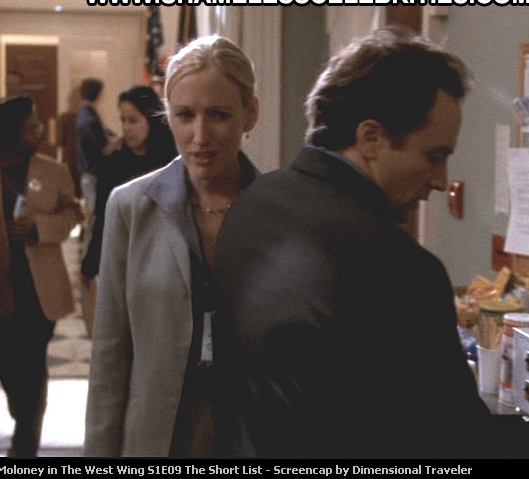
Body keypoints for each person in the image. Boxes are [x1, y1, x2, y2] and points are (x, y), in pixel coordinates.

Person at [213, 27, 510, 459]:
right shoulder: (402, 267)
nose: (440, 180)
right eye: (434, 156)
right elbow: (459, 437)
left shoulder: (251, 206)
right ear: (371, 138)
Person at [84, 35, 260, 457]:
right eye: (184, 115)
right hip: (158, 435)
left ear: (250, 114)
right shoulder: (130, 207)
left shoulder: (279, 211)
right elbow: (110, 353)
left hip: (253, 434)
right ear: (168, 115)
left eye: (219, 115)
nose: (200, 135)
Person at [0, 95, 82, 457]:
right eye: (30, 127)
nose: (39, 131)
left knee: (33, 361)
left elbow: (72, 214)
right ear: (10, 133)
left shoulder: (54, 172)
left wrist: (39, 226)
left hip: (40, 284)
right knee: (7, 361)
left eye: (37, 124)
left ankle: (25, 441)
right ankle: (22, 412)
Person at [81, 84, 177, 281]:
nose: (126, 128)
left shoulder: (171, 164)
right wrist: (90, 266)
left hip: (165, 260)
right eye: (123, 120)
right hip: (124, 258)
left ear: (151, 119)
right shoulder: (111, 165)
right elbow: (102, 219)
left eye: (133, 120)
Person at [77, 77, 114, 251]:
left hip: (89, 171)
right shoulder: (89, 118)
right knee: (93, 214)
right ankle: (88, 252)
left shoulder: (88, 114)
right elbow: (100, 146)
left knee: (94, 213)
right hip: (92, 171)